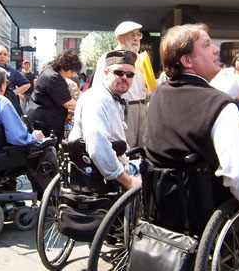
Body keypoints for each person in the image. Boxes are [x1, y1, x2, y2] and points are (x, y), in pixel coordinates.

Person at [145, 24, 239, 226]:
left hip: (162, 207)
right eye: (206, 45)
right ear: (187, 60)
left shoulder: (158, 96)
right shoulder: (219, 105)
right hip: (206, 212)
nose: (216, 50)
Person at [69, 50, 142, 190]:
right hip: (103, 175)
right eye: (119, 72)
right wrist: (129, 182)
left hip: (116, 164)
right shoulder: (97, 100)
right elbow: (98, 148)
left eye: (130, 74)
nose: (124, 77)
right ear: (106, 73)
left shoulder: (111, 98)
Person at [92, 21, 148, 148]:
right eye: (131, 35)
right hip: (124, 109)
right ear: (119, 38)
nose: (136, 38)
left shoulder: (141, 58)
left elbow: (143, 88)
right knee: (125, 149)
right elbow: (98, 88)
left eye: (138, 35)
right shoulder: (109, 58)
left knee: (145, 149)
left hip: (143, 109)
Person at [0, 66, 44, 145]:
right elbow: (17, 137)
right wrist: (34, 137)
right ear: (1, 87)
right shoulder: (1, 102)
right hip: (1, 153)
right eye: (6, 83)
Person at [27, 50, 82, 140]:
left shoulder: (50, 71)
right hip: (45, 123)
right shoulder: (53, 77)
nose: (72, 74)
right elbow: (68, 103)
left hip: (43, 119)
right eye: (72, 71)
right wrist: (84, 106)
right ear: (65, 67)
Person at [0, 45, 30, 115]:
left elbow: (27, 84)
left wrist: (12, 93)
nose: (2, 56)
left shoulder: (11, 71)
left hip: (7, 106)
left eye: (5, 54)